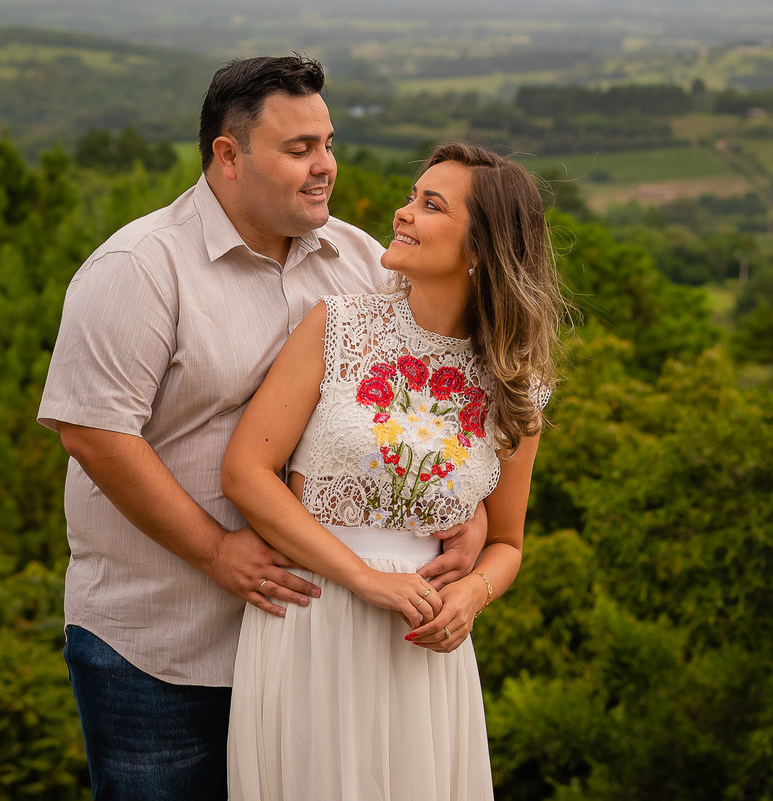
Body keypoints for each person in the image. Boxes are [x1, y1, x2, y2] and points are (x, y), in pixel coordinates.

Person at [37, 56, 484, 801]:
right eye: (299, 149)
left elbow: (413, 405)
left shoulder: (364, 262)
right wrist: (216, 550)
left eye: (328, 143)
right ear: (229, 155)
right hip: (163, 647)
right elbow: (95, 435)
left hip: (315, 646)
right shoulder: (139, 268)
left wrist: (463, 508)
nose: (325, 166)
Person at [221, 141, 566, 800]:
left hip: (422, 651)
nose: (403, 213)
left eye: (430, 205)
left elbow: (507, 542)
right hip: (312, 624)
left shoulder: (514, 386)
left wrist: (473, 595)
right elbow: (246, 472)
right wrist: (363, 578)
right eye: (413, 196)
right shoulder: (338, 327)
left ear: (480, 249)